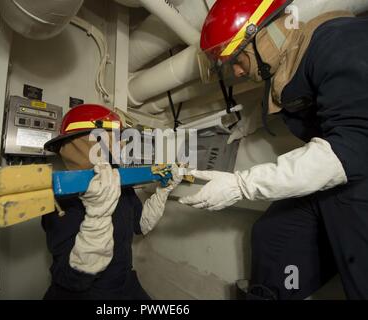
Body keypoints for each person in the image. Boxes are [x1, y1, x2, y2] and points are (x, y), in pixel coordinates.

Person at [179, 0, 368, 300]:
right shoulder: (295, 60)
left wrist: (242, 185)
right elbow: (286, 97)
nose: (238, 73)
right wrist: (244, 125)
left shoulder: (340, 43)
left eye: (237, 60)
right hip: (344, 173)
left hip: (354, 168)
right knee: (272, 234)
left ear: (261, 37)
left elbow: (348, 149)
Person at [40, 104, 181, 300]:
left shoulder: (121, 185)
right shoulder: (61, 200)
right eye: (115, 139)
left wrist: (163, 191)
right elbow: (74, 280)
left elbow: (140, 225)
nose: (122, 146)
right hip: (86, 294)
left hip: (124, 284)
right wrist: (97, 215)